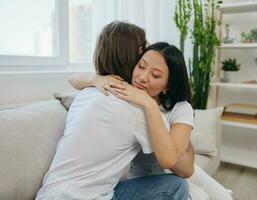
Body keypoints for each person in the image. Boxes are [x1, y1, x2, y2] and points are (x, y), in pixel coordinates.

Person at [70, 22, 234, 200]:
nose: (142, 77)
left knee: (213, 195)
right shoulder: (123, 94)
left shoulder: (177, 108)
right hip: (139, 179)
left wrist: (149, 105)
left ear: (167, 85)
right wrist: (96, 79)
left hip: (169, 173)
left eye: (156, 75)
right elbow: (74, 79)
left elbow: (184, 168)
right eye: (141, 66)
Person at [35, 21, 190, 200]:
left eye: (155, 75)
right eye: (142, 61)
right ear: (134, 55)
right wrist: (148, 104)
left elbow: (75, 80)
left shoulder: (88, 92)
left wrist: (94, 79)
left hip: (49, 193)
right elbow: (171, 160)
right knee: (175, 186)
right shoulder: (137, 109)